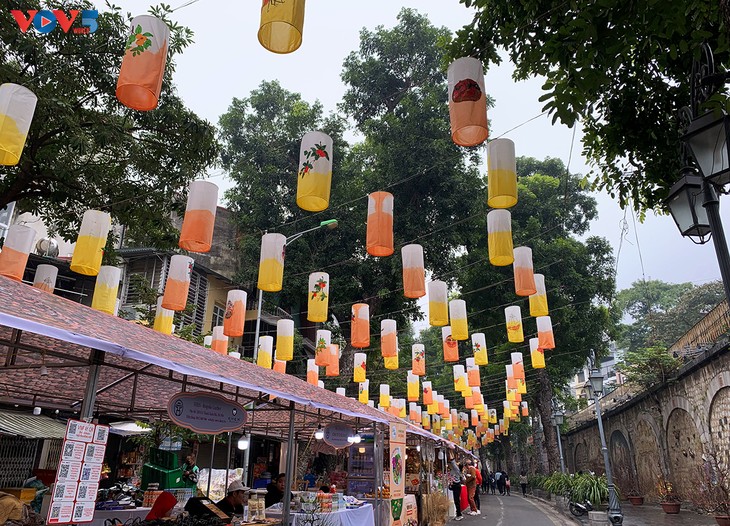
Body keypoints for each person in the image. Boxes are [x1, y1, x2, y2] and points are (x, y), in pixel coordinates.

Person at [447, 455, 464, 521]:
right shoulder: (457, 471)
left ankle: (459, 515)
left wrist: (450, 453)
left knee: (456, 501)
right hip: (456, 486)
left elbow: (453, 462)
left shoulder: (456, 470)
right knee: (456, 500)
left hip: (456, 486)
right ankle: (458, 514)